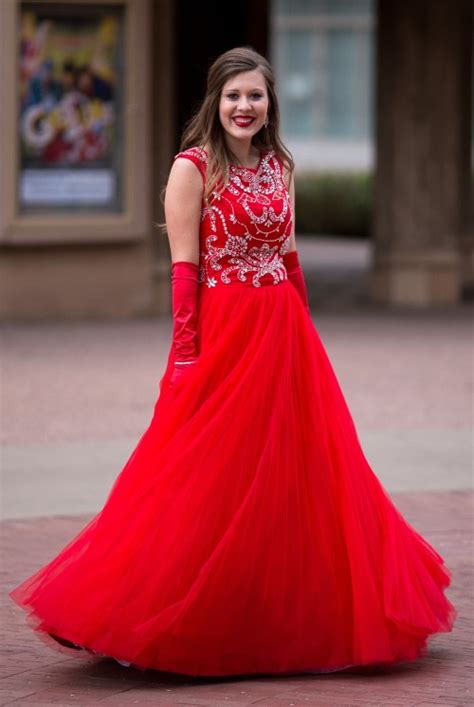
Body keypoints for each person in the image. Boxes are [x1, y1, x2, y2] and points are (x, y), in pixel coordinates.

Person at [9, 46, 456, 677]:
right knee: (201, 472)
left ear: (270, 103)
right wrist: (186, 356)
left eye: (255, 95)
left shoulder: (280, 166)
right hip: (223, 335)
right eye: (232, 96)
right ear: (214, 103)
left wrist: (306, 331)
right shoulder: (192, 169)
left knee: (297, 471)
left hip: (283, 334)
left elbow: (291, 255)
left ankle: (280, 614)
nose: (244, 107)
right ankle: (151, 611)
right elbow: (184, 271)